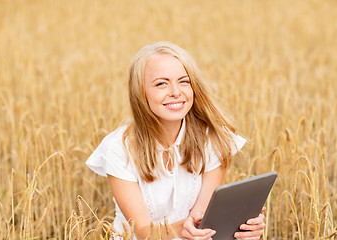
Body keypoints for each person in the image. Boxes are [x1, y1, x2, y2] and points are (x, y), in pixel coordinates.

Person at [86, 42, 266, 240]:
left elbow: (202, 220)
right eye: (161, 83)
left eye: (184, 81)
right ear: (140, 91)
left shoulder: (214, 139)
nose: (175, 92)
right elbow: (143, 231)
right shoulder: (118, 146)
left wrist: (242, 226)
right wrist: (191, 226)